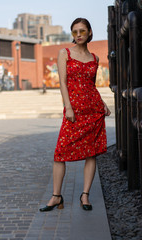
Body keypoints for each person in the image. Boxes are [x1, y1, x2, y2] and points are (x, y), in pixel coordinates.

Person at [39, 17, 111, 212]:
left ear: (89, 33)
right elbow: (62, 82)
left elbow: (91, 86)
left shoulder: (95, 59)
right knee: (60, 152)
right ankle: (56, 196)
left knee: (91, 154)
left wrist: (102, 103)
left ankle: (85, 195)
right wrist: (68, 107)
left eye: (82, 31)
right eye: (75, 32)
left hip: (93, 111)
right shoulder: (65, 53)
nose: (78, 35)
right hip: (74, 111)